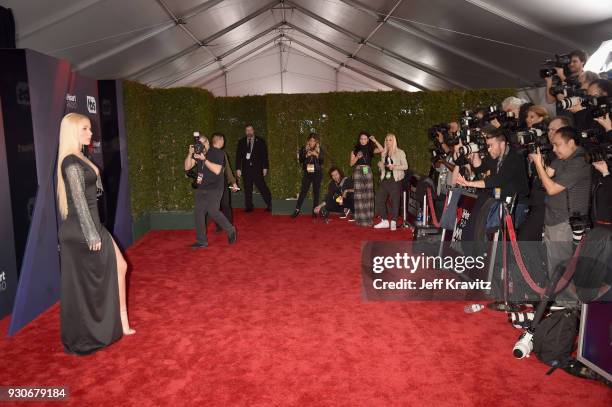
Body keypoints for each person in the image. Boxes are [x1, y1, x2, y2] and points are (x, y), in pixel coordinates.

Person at [56, 113, 134, 355]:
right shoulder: (70, 161)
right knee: (84, 285)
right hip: (82, 229)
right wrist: (92, 234)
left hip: (91, 224)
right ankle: (97, 331)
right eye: (86, 129)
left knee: (119, 267)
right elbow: (78, 201)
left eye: (90, 128)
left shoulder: (80, 157)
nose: (91, 133)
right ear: (73, 132)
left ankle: (121, 323)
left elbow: (91, 191)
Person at [529, 127, 591, 284]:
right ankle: (558, 299)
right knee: (554, 264)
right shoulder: (562, 159)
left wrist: (538, 164)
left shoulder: (580, 161)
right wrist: (540, 163)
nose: (554, 149)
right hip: (552, 217)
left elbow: (551, 188)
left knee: (563, 265)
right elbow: (545, 177)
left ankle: (569, 304)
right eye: (553, 145)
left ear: (570, 142)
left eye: (557, 145)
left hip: (566, 221)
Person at [456, 127, 530, 228]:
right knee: (488, 230)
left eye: (491, 145)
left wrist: (469, 183)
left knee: (501, 236)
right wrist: (475, 153)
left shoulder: (515, 157)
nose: (489, 149)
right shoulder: (495, 155)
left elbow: (497, 180)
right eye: (487, 146)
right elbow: (480, 168)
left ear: (502, 144)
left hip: (516, 204)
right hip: (499, 200)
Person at [185, 133, 237, 248]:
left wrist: (204, 160)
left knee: (213, 211)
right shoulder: (198, 153)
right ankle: (201, 241)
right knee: (198, 213)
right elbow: (187, 167)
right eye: (198, 144)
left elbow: (217, 170)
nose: (200, 146)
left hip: (215, 188)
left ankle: (231, 229)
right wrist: (190, 154)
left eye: (202, 143)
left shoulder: (218, 153)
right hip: (202, 187)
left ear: (207, 142)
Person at [373, 133, 408, 230]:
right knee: (379, 198)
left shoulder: (400, 152)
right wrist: (381, 166)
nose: (388, 142)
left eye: (390, 140)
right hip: (385, 179)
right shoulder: (384, 153)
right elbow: (383, 167)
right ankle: (384, 220)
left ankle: (393, 221)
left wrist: (394, 167)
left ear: (394, 141)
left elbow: (405, 166)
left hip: (395, 179)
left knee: (395, 201)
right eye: (386, 140)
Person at [235, 125, 272, 212]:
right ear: (245, 131)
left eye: (250, 130)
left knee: (262, 187)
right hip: (246, 169)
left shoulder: (260, 141)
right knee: (247, 188)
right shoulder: (241, 141)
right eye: (247, 130)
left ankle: (270, 204)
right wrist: (238, 168)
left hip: (257, 169)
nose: (249, 132)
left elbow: (264, 155)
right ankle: (249, 206)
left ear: (253, 131)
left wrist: (265, 167)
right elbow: (238, 156)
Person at [207, 133, 239, 233]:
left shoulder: (207, 153)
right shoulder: (219, 153)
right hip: (220, 184)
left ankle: (221, 227)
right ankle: (227, 227)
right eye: (223, 140)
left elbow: (227, 170)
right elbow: (228, 170)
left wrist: (233, 182)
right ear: (220, 141)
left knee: (217, 206)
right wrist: (233, 182)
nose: (224, 142)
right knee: (224, 206)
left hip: (213, 184)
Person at [350, 132, 382, 226]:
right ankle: (361, 220)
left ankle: (368, 219)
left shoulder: (370, 149)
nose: (363, 141)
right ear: (359, 140)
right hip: (358, 171)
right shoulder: (354, 150)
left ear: (367, 140)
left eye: (365, 139)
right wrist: (357, 157)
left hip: (367, 170)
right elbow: (351, 164)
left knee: (368, 195)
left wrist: (374, 140)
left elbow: (382, 149)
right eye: (361, 139)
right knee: (359, 196)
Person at [291, 133, 325, 218]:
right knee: (303, 191)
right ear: (308, 141)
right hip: (307, 172)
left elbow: (322, 161)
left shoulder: (319, 149)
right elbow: (300, 160)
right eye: (311, 140)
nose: (312, 142)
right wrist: (307, 155)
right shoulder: (304, 148)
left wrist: (316, 154)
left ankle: (314, 212)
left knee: (316, 192)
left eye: (314, 140)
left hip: (317, 172)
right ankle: (297, 210)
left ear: (316, 141)